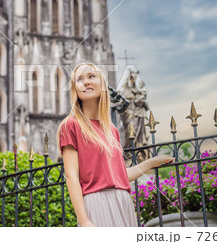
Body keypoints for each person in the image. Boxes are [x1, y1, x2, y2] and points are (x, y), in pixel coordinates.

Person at [56, 62, 173, 227]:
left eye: (91, 76)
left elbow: (119, 176)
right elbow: (72, 177)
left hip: (123, 201)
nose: (86, 82)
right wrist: (83, 220)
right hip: (97, 203)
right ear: (75, 89)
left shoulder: (112, 130)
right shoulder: (70, 126)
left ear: (102, 84)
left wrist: (152, 162)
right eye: (79, 79)